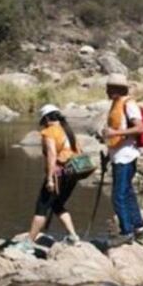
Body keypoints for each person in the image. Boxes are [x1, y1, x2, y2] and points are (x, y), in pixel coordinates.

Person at [26, 105, 83, 244]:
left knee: (42, 207)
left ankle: (27, 243)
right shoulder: (68, 130)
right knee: (57, 204)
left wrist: (50, 178)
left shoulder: (50, 132)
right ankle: (73, 236)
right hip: (73, 172)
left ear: (46, 119)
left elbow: (52, 154)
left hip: (58, 173)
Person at [101, 74, 143, 244]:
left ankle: (127, 231)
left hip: (126, 155)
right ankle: (139, 226)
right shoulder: (116, 103)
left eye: (109, 88)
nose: (106, 91)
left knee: (118, 196)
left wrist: (115, 133)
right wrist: (108, 152)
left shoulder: (129, 104)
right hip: (118, 154)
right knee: (127, 192)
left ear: (117, 89)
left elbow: (139, 128)